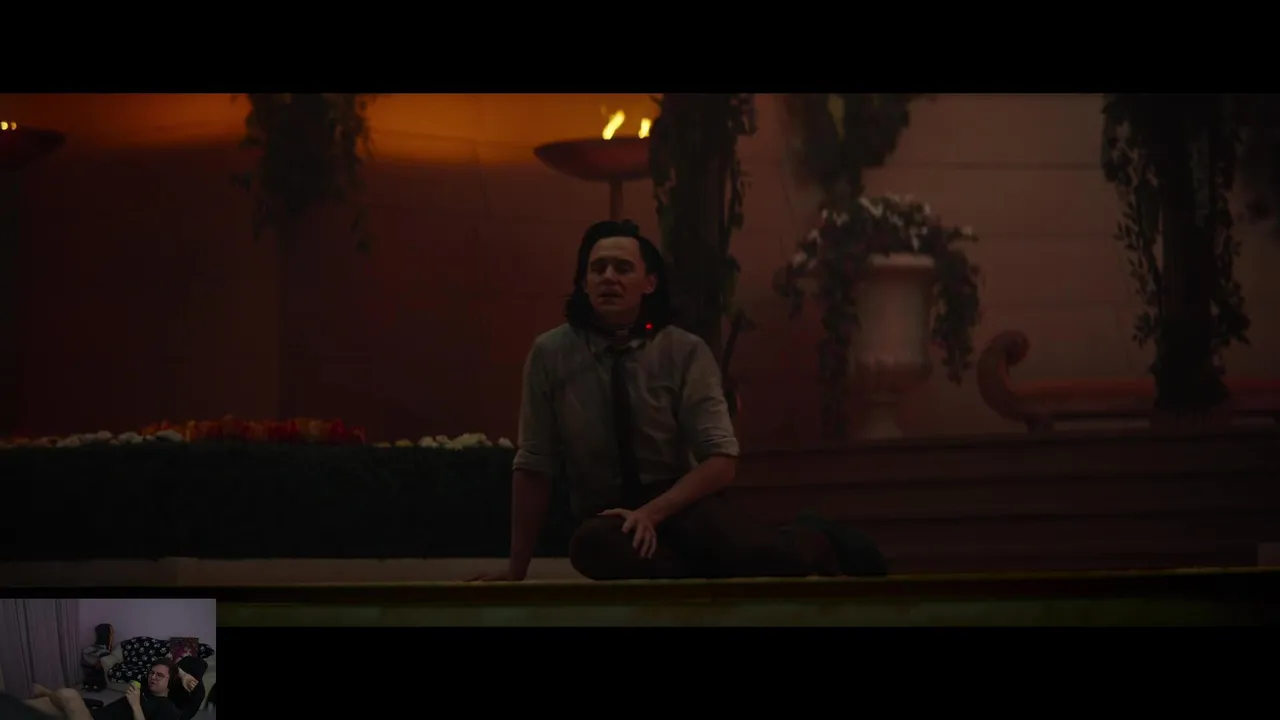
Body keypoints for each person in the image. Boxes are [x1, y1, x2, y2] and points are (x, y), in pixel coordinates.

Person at [471, 219, 887, 581]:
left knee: (749, 554)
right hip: (610, 516)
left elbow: (721, 461)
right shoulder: (550, 354)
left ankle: (815, 539)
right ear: (583, 283)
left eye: (622, 268)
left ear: (649, 283)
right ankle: (697, 566)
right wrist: (516, 569)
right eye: (597, 269)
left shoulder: (683, 351)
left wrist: (652, 513)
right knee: (592, 548)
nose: (608, 277)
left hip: (683, 502)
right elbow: (534, 464)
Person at [24, 660, 179, 720]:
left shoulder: (166, 707)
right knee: (43, 704)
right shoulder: (144, 690)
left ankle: (49, 693)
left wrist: (136, 706)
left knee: (69, 695)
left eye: (159, 675)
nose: (153, 677)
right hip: (95, 715)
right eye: (152, 673)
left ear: (171, 681)